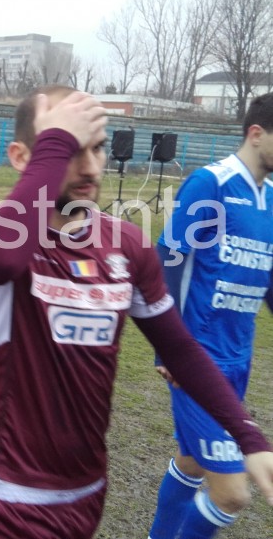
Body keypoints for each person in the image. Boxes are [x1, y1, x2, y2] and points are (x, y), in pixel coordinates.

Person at [0, 85, 273, 539]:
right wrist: (56, 140)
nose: (90, 168)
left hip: (85, 490)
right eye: (69, 150)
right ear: (24, 157)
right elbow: (0, 261)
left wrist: (249, 436)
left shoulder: (125, 244)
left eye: (98, 148)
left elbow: (180, 348)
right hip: (4, 493)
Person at [147, 92, 273, 539]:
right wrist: (168, 348)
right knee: (232, 495)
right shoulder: (211, 184)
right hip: (197, 357)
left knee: (192, 464)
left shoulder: (271, 197)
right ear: (255, 134)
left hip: (238, 358)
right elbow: (170, 260)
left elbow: (267, 274)